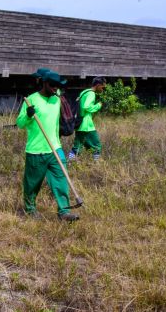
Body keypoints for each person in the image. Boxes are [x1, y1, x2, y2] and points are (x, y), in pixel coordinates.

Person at [16, 71, 78, 221]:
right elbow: (20, 123)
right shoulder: (31, 99)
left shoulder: (57, 100)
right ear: (44, 83)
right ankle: (30, 210)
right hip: (36, 150)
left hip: (55, 148)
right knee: (32, 183)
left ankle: (64, 211)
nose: (55, 89)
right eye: (52, 85)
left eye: (57, 86)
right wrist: (28, 115)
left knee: (61, 179)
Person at [69, 77, 106, 162]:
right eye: (102, 87)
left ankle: (70, 163)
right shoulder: (91, 94)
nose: (103, 89)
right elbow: (87, 106)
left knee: (77, 147)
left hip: (79, 124)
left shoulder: (84, 92)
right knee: (96, 145)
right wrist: (98, 105)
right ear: (98, 85)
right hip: (87, 126)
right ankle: (96, 164)